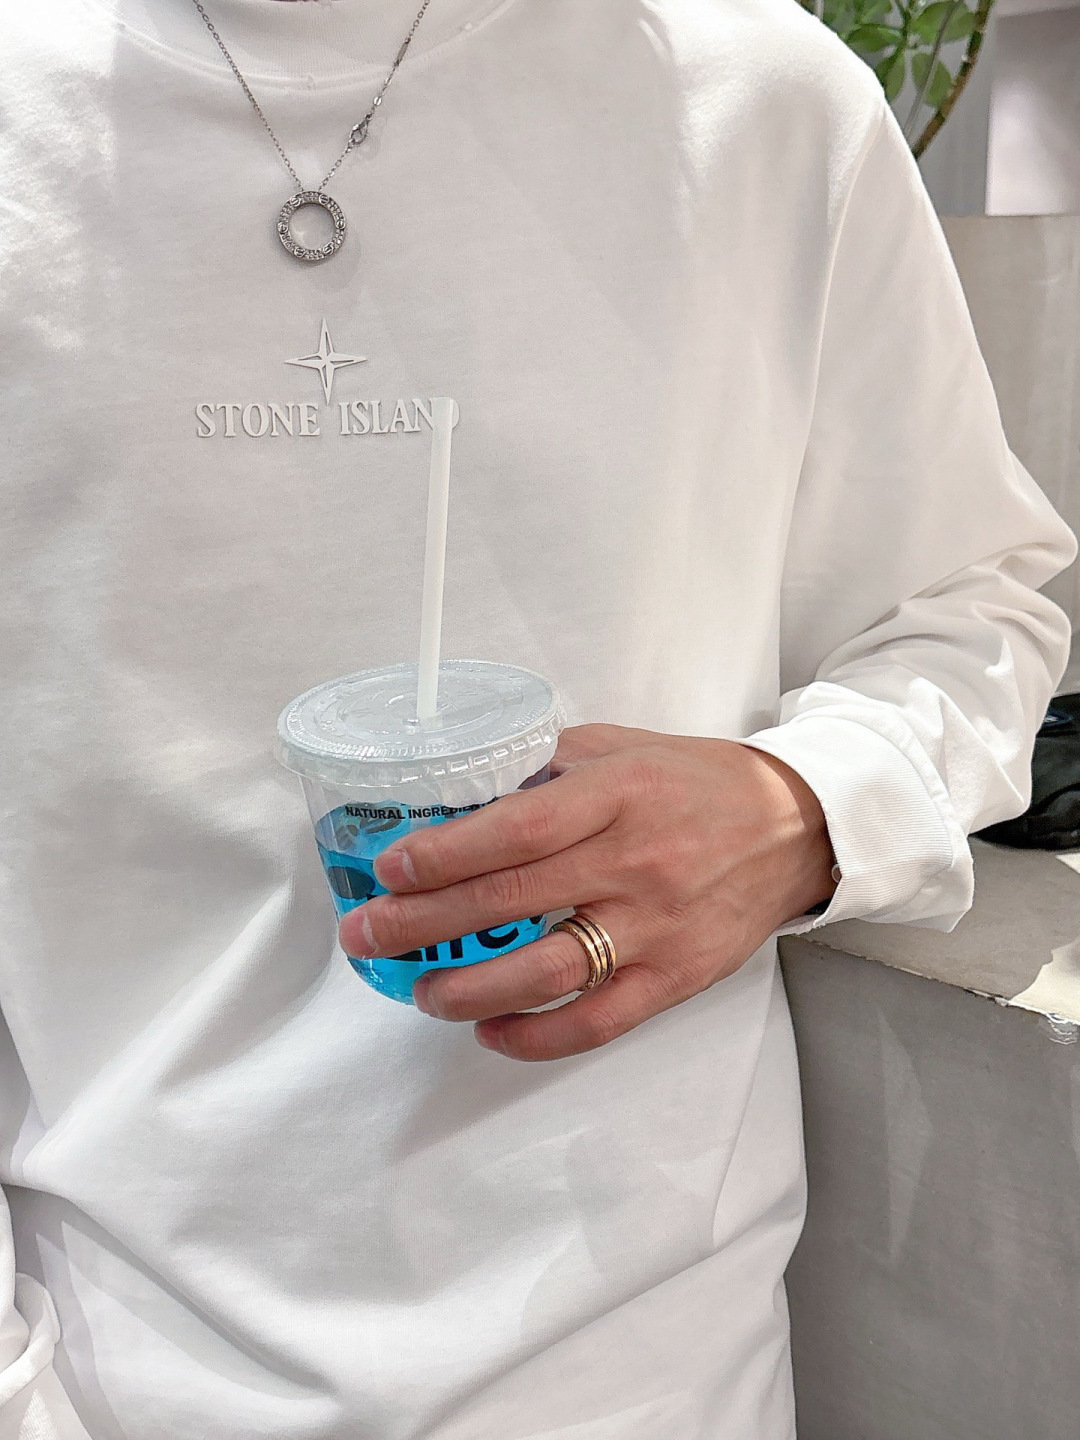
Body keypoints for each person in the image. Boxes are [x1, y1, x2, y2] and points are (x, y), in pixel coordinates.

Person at [0, 0, 1073, 1435]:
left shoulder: (759, 96)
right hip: (91, 1368)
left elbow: (972, 598)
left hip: (653, 1373)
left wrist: (806, 806)